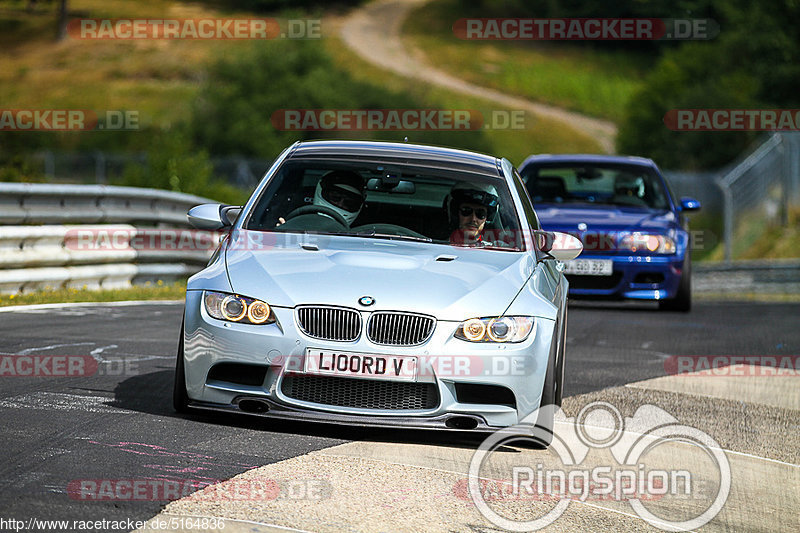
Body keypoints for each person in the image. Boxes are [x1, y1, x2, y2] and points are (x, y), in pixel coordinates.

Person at [278, 170, 366, 227]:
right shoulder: (290, 208)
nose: (340, 204)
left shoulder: (364, 231)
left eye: (349, 203)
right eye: (335, 197)